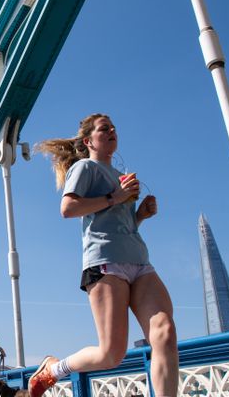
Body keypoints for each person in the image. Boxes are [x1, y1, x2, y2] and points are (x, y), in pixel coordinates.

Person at [29, 114, 178, 397]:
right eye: (104, 128)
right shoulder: (85, 167)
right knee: (111, 354)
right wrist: (116, 197)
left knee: (165, 333)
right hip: (105, 262)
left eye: (113, 128)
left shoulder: (119, 176)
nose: (112, 131)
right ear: (88, 141)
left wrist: (140, 215)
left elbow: (117, 221)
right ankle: (54, 369)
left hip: (140, 261)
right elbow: (68, 209)